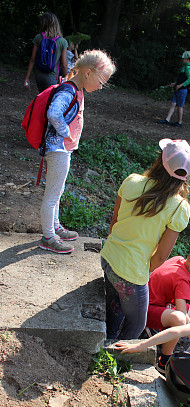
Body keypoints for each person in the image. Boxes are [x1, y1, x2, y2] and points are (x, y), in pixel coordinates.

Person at [101, 138, 190, 343]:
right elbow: (161, 256)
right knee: (137, 324)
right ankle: (113, 356)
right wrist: (140, 272)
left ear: (160, 161)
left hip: (108, 258)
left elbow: (113, 225)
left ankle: (107, 338)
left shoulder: (132, 181)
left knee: (116, 304)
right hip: (132, 275)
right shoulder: (179, 207)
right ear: (186, 176)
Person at [39, 50, 116, 254]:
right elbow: (54, 113)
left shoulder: (77, 88)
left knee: (58, 191)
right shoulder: (69, 91)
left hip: (62, 149)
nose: (101, 87)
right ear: (89, 73)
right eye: (101, 81)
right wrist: (66, 133)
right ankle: (48, 237)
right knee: (52, 195)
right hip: (58, 149)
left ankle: (55, 227)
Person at [146, 239, 190, 374]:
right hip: (146, 309)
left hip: (155, 302)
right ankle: (163, 361)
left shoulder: (179, 260)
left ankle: (164, 337)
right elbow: (181, 315)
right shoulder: (183, 280)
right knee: (179, 320)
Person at [24, 12, 69, 93]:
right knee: (49, 102)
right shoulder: (62, 41)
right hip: (51, 77)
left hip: (39, 75)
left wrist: (27, 78)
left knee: (41, 98)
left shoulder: (38, 38)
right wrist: (67, 79)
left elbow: (32, 60)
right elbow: (64, 64)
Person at [157, 51, 190, 128]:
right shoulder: (184, 67)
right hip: (179, 89)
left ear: (187, 59)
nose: (182, 59)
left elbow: (189, 79)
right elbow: (182, 78)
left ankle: (179, 122)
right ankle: (167, 119)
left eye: (183, 58)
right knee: (173, 103)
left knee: (180, 106)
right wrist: (175, 84)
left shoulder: (187, 68)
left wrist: (180, 85)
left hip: (182, 90)